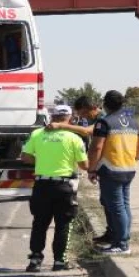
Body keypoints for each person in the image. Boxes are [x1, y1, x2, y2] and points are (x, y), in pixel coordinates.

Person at [21, 105, 88, 272]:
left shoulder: (37, 134)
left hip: (42, 185)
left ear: (52, 116)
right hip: (64, 186)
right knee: (64, 223)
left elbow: (25, 157)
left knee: (39, 223)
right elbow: (84, 165)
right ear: (69, 118)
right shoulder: (74, 138)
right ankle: (59, 261)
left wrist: (43, 161)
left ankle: (35, 259)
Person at [87, 91, 139, 255]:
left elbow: (97, 147)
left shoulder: (104, 122)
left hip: (111, 170)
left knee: (117, 207)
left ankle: (122, 244)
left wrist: (91, 169)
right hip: (128, 168)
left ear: (105, 104)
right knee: (124, 205)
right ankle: (120, 239)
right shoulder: (133, 122)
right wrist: (135, 159)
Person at [48, 96, 113, 243]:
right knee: (106, 201)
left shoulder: (102, 118)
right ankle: (110, 232)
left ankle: (114, 234)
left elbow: (87, 132)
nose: (82, 117)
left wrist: (61, 126)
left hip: (108, 162)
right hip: (103, 162)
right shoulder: (95, 117)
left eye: (83, 113)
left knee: (112, 202)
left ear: (90, 108)